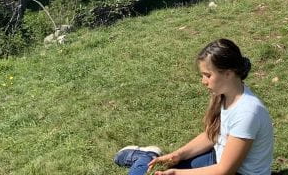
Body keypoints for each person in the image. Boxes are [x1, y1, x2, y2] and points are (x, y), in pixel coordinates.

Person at [113, 38, 274, 175]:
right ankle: (147, 157)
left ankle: (144, 157)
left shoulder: (247, 112)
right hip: (216, 159)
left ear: (228, 73)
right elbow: (213, 134)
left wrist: (177, 173)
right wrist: (178, 155)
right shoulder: (225, 95)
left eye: (208, 75)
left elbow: (225, 170)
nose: (203, 81)